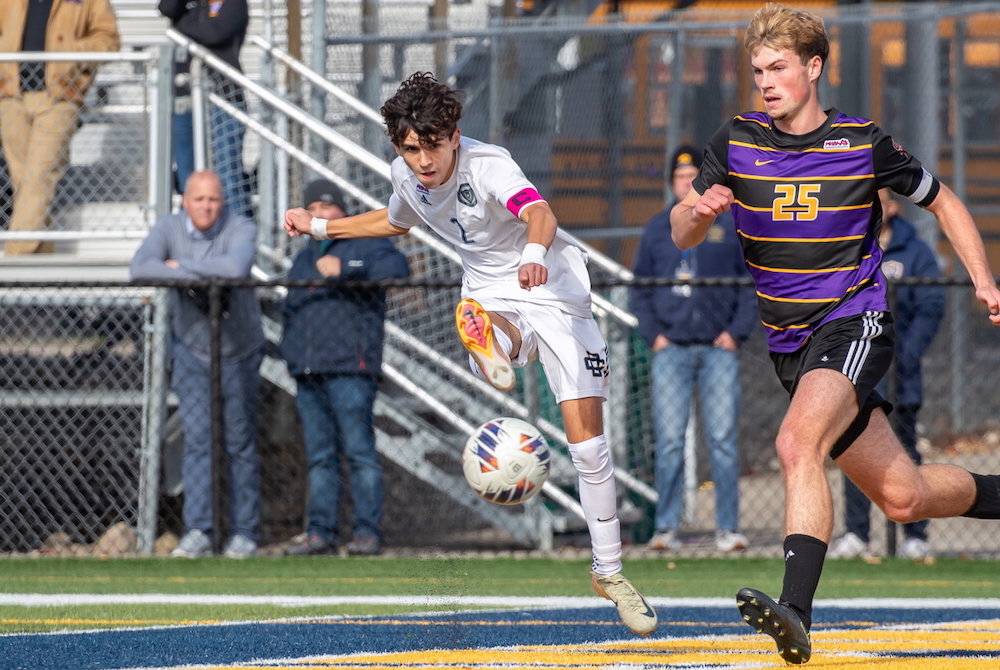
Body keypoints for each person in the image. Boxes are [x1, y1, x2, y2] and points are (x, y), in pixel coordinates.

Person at [670, 4, 1000, 664]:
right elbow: (681, 230)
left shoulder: (861, 142)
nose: (766, 80)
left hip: (854, 325)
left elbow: (945, 202)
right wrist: (699, 213)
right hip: (790, 349)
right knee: (903, 497)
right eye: (758, 69)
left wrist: (983, 279)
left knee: (796, 443)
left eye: (780, 67)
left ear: (813, 67)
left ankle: (795, 611)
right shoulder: (734, 140)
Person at [284, 72, 658, 637]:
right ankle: (492, 341)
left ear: (454, 135)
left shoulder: (489, 164)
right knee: (492, 327)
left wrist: (534, 251)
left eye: (432, 144)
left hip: (552, 288)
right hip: (488, 292)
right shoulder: (406, 175)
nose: (423, 159)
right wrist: (320, 227)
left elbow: (541, 214)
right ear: (398, 147)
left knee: (590, 449)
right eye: (411, 149)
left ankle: (609, 572)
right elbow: (394, 219)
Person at [130, 170, 265, 559]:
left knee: (239, 443)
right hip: (191, 349)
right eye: (199, 199)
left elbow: (236, 268)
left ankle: (246, 534)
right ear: (184, 201)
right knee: (198, 442)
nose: (207, 207)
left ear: (223, 202)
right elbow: (140, 268)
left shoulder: (239, 227)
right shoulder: (169, 227)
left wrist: (178, 269)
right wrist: (191, 269)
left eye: (214, 200)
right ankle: (199, 532)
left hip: (239, 349)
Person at [631, 144, 758, 554]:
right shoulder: (655, 228)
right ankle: (666, 528)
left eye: (694, 178)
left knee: (721, 439)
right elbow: (639, 291)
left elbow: (750, 284)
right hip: (671, 350)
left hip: (718, 349)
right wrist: (655, 336)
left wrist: (736, 333)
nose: (687, 184)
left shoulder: (731, 225)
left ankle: (728, 529)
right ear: (672, 184)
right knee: (669, 440)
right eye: (680, 178)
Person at [280, 179, 410, 557]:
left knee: (359, 452)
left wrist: (348, 267)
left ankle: (367, 533)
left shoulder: (364, 241)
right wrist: (291, 356)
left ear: (342, 210)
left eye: (327, 206)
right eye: (313, 207)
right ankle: (320, 533)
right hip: (308, 370)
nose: (319, 214)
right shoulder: (303, 254)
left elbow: (397, 270)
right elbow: (290, 308)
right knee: (320, 456)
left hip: (351, 368)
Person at [828, 188, 945, 561]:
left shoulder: (916, 252)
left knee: (906, 453)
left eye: (876, 197)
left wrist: (905, 352)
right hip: (858, 372)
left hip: (901, 373)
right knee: (854, 450)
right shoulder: (845, 247)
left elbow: (932, 306)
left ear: (892, 207)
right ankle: (856, 535)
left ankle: (915, 536)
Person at [0, 0, 120, 255]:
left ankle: (13, 262)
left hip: (60, 95)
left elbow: (109, 40)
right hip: (10, 95)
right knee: (24, 184)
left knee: (39, 177)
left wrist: (72, 53)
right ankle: (39, 271)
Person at [158, 0, 251, 219]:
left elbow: (215, 33)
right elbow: (166, 8)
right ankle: (187, 241)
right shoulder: (191, 4)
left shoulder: (234, 3)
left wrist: (181, 27)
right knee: (188, 180)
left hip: (225, 98)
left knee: (228, 177)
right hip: (185, 100)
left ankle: (238, 241)